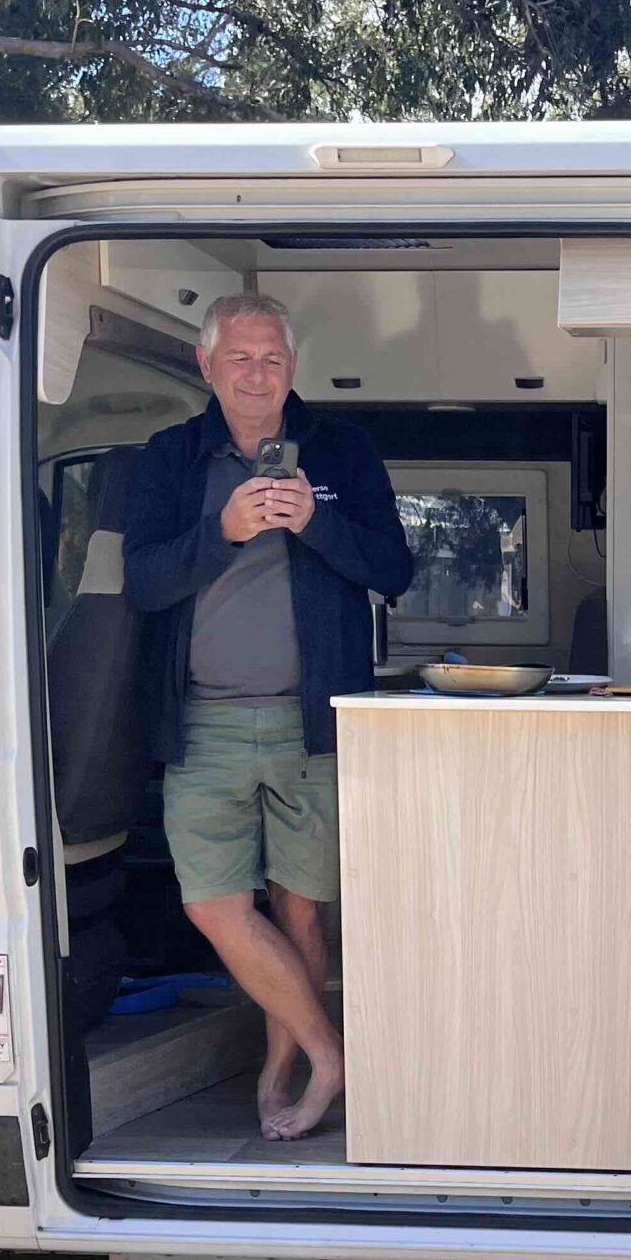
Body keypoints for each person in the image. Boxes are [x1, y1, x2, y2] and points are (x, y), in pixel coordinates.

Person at [123, 293, 412, 1138]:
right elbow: (144, 584)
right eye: (240, 359)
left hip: (309, 722)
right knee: (212, 904)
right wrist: (221, 531)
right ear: (207, 366)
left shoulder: (343, 452)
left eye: (272, 359)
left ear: (293, 367)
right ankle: (330, 1052)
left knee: (300, 907)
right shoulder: (170, 457)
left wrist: (317, 522)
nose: (257, 375)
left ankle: (286, 1070)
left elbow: (394, 569)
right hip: (202, 724)